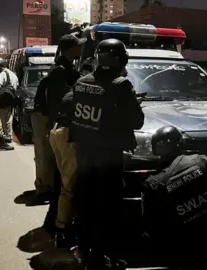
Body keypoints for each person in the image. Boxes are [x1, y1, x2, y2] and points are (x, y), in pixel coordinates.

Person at [71, 38, 144, 269]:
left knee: (85, 203)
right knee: (108, 208)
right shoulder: (121, 85)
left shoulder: (81, 82)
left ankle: (83, 249)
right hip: (108, 158)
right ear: (120, 60)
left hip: (83, 156)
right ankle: (105, 257)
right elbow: (137, 121)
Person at [142, 126, 207, 270]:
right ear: (180, 143)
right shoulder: (201, 160)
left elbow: (149, 225)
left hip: (180, 248)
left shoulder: (153, 183)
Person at [37, 34, 84, 233]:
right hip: (63, 128)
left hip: (61, 128)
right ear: (68, 49)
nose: (80, 50)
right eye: (77, 47)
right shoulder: (59, 72)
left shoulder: (67, 69)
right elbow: (58, 103)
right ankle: (57, 226)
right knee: (64, 182)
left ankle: (54, 221)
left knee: (62, 178)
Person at [48, 91, 77, 249]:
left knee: (64, 182)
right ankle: (63, 229)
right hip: (67, 134)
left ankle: (60, 226)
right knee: (69, 187)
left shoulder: (72, 92)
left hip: (56, 131)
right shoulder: (87, 91)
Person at [0, 60, 19, 143]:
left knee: (1, 117)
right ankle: (9, 135)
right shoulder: (14, 75)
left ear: (0, 68)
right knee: (9, 117)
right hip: (11, 98)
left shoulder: (3, 74)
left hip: (3, 98)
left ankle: (2, 136)